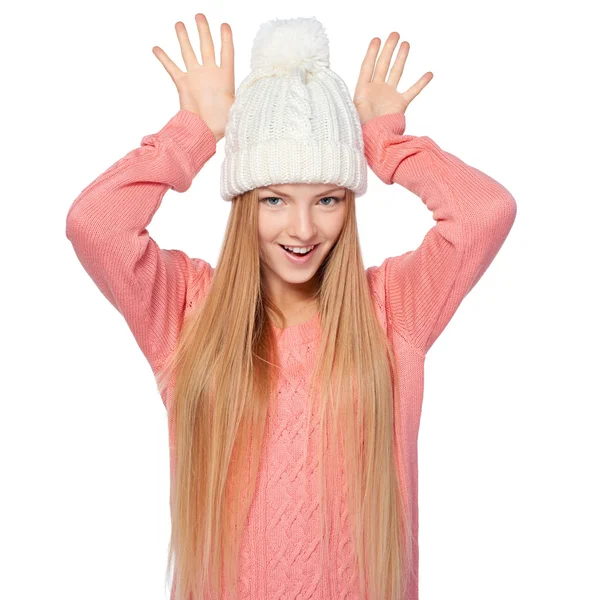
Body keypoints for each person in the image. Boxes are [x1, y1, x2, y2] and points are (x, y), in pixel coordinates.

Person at [65, 14, 517, 600]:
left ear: (348, 206)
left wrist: (383, 143)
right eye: (275, 198)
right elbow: (94, 225)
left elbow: (486, 212)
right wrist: (193, 132)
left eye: (327, 198)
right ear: (242, 203)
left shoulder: (395, 310)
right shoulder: (184, 312)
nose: (302, 228)